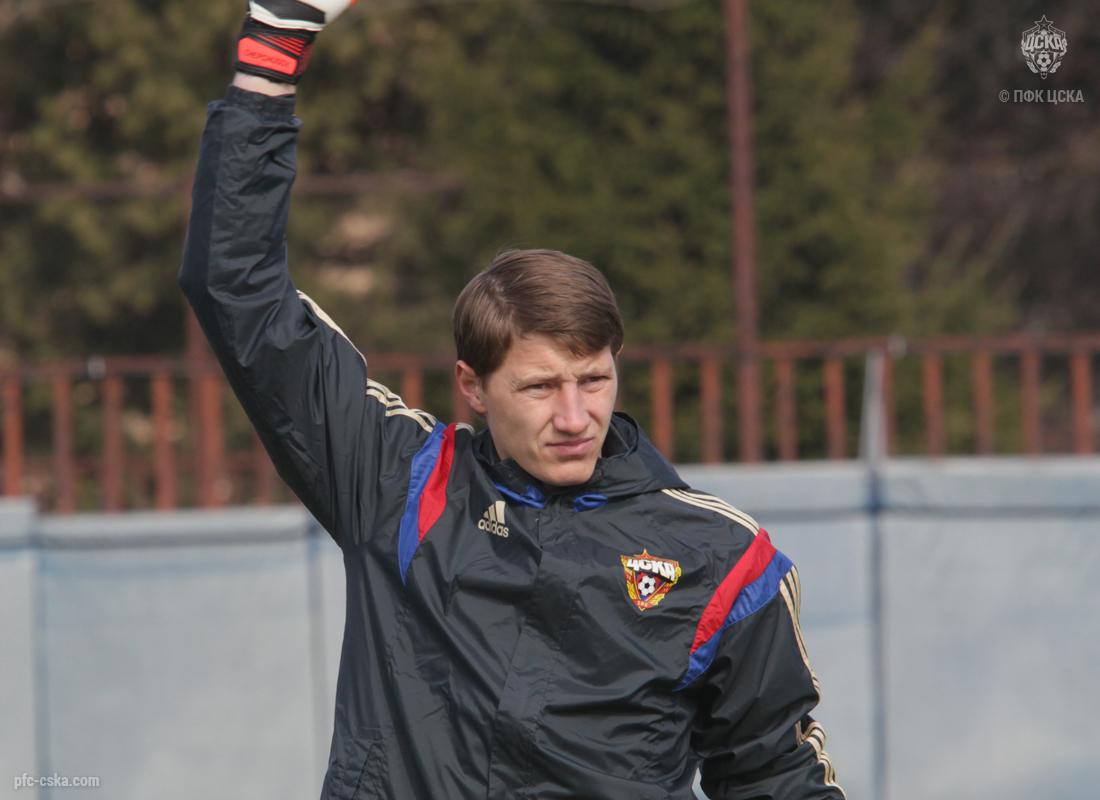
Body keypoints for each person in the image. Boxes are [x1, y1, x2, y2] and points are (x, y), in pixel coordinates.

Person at [180, 2, 844, 798]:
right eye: (539, 387)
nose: (575, 416)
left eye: (593, 380)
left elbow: (777, 776)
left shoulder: (723, 559)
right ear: (473, 387)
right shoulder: (398, 485)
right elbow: (237, 291)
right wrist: (277, 40)